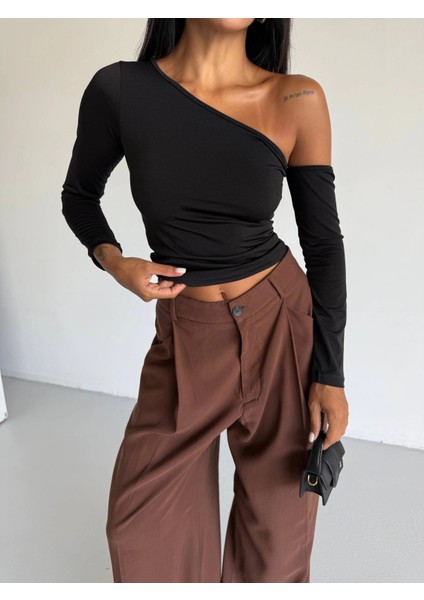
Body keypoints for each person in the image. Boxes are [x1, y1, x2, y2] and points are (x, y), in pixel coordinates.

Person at [61, 18, 349, 583]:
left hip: (281, 324)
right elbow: (79, 195)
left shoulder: (297, 97)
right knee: (140, 530)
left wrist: (330, 375)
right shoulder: (119, 90)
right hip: (187, 330)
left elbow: (323, 244)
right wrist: (116, 262)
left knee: (278, 542)